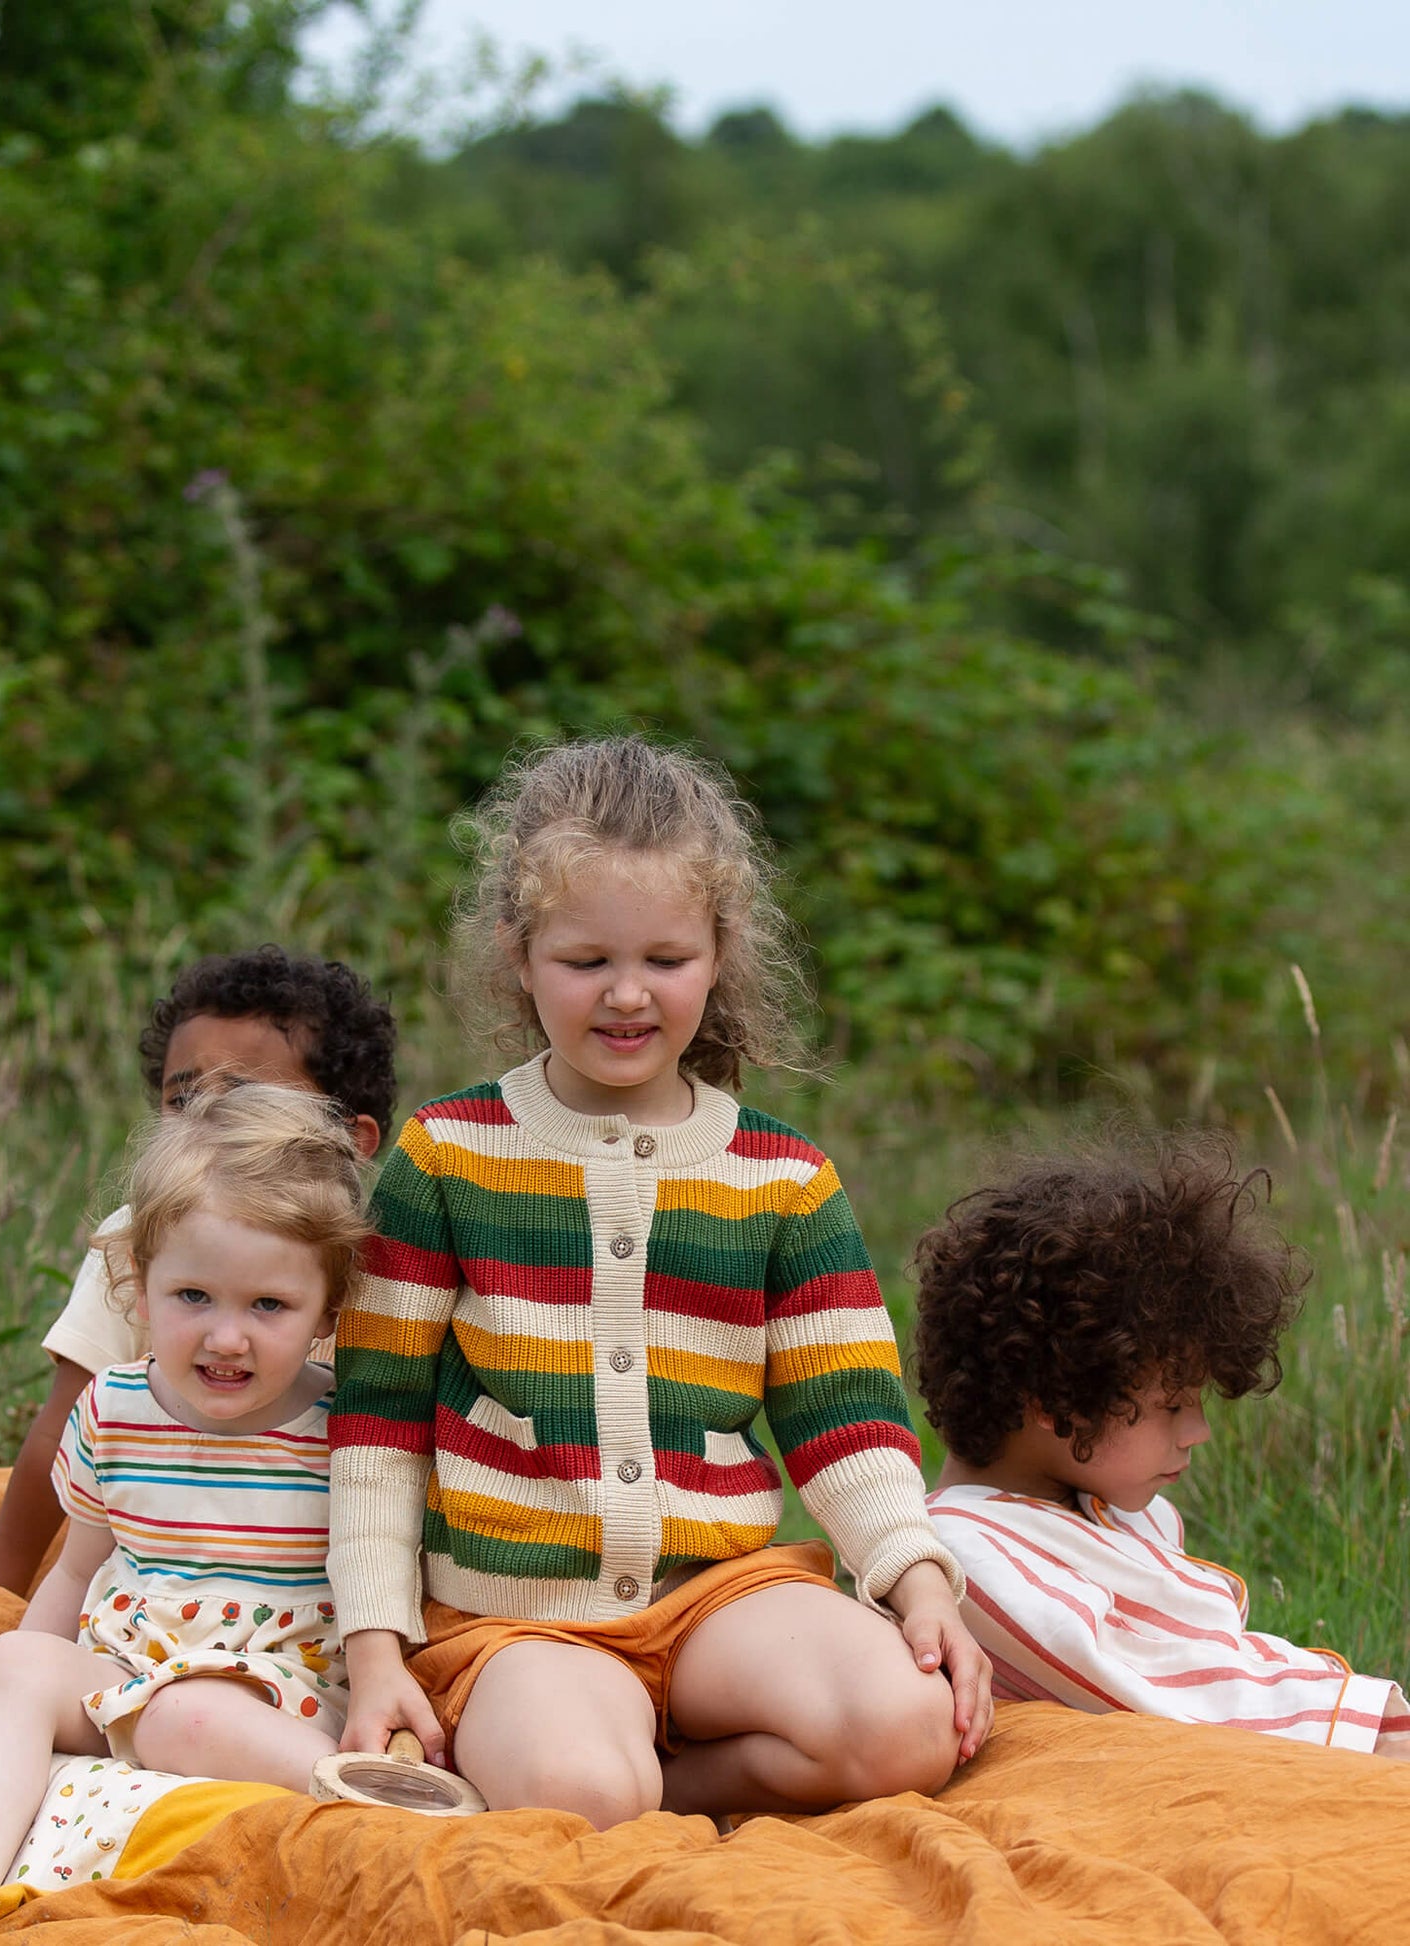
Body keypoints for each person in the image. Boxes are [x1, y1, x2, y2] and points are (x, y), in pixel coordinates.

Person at [327, 733, 991, 1830]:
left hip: (717, 1598)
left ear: (719, 951)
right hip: (518, 1620)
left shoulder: (781, 1179)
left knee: (908, 1726)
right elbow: (377, 1427)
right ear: (518, 952)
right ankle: (603, 1772)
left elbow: (847, 1419)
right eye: (585, 960)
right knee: (583, 1790)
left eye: (666, 960)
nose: (626, 995)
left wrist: (914, 1579)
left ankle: (670, 1787)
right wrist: (374, 1646)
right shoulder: (446, 1156)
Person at [0, 1085, 370, 1930]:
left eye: (269, 1307)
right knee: (15, 1662)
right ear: (140, 1290)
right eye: (193, 1298)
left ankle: (366, 1797)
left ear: (328, 1309)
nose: (225, 1337)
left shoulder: (341, 1430)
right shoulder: (114, 1409)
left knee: (190, 1712)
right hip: (126, 1672)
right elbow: (77, 1565)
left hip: (270, 1692)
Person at [913, 1140, 1410, 1757]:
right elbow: (1158, 1694)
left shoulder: (1118, 1507)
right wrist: (1373, 1729)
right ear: (1054, 1400)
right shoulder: (965, 1555)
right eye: (1172, 1405)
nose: (1197, 1431)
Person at [0, 946, 398, 1592]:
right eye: (183, 1098)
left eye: (246, 1097)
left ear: (353, 1141)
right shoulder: (142, 1236)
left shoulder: (376, 1259)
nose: (208, 1117)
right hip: (151, 1549)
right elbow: (54, 1436)